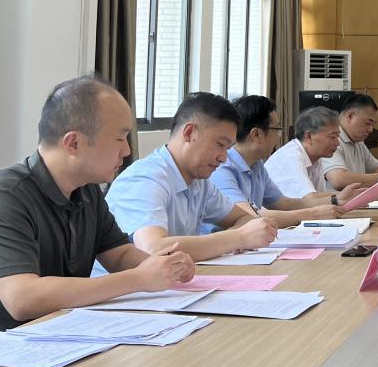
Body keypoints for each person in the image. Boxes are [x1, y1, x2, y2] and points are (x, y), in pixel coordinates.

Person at [0, 77, 195, 352]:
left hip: (46, 343)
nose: (127, 150)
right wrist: (137, 279)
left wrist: (165, 267)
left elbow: (119, 255)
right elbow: (22, 299)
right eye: (119, 138)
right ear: (73, 143)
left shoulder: (86, 191)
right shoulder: (1, 198)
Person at [104, 92, 279, 263]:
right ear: (189, 133)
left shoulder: (200, 183)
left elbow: (245, 218)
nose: (224, 158)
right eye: (220, 145)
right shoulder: (145, 178)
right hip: (127, 283)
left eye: (228, 149)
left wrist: (233, 238)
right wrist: (238, 238)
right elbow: (154, 249)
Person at [208, 96, 361, 229]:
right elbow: (248, 217)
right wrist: (312, 214)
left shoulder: (256, 165)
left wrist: (335, 199)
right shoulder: (223, 168)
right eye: (277, 129)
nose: (279, 136)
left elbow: (283, 204)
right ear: (256, 134)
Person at [265, 105, 348, 198]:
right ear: (308, 137)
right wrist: (347, 195)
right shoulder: (290, 157)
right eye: (332, 137)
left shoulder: (316, 159)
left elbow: (318, 198)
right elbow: (309, 199)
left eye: (337, 137)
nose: (337, 143)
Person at [322, 94, 378, 189]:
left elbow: (377, 168)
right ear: (350, 115)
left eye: (372, 124)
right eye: (368, 123)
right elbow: (339, 180)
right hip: (335, 198)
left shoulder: (358, 141)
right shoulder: (331, 139)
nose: (370, 130)